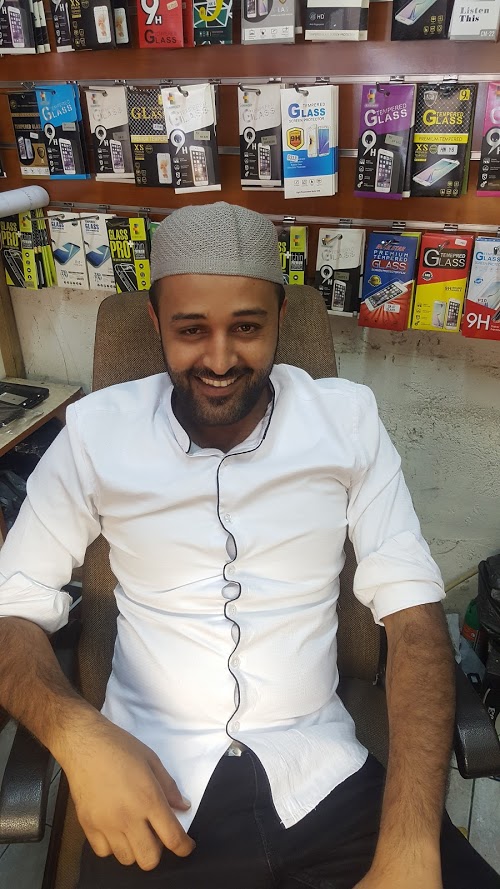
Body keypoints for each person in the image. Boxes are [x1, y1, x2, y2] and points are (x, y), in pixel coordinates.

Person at [0, 202, 498, 889]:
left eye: (246, 327)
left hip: (324, 778)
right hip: (150, 787)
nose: (220, 358)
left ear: (280, 319)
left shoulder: (347, 421)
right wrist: (77, 739)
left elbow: (413, 618)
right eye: (191, 329)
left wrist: (412, 844)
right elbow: (12, 607)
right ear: (155, 322)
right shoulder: (94, 434)